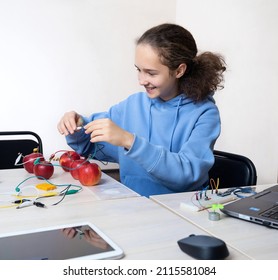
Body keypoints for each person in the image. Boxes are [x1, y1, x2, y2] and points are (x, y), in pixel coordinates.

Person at [57, 23, 226, 197]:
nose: (142, 80)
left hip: (181, 213)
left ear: (179, 70)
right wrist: (76, 126)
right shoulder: (132, 105)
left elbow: (187, 174)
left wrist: (129, 140)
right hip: (133, 208)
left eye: (151, 73)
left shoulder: (205, 113)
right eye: (139, 70)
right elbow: (87, 146)